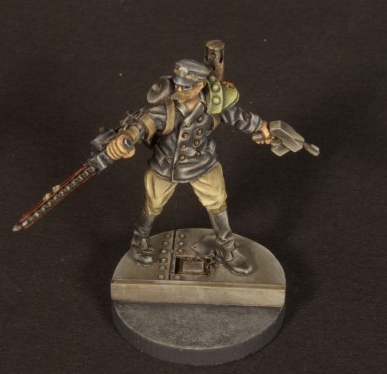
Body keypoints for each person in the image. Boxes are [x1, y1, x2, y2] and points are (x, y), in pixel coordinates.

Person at [105, 59, 272, 275]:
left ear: (200, 85)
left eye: (187, 86)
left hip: (202, 163)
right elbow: (145, 122)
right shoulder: (167, 107)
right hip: (166, 166)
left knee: (218, 204)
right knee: (153, 205)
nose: (180, 90)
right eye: (178, 85)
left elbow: (237, 115)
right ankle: (139, 240)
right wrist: (127, 137)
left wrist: (261, 126)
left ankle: (227, 248)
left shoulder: (213, 103)